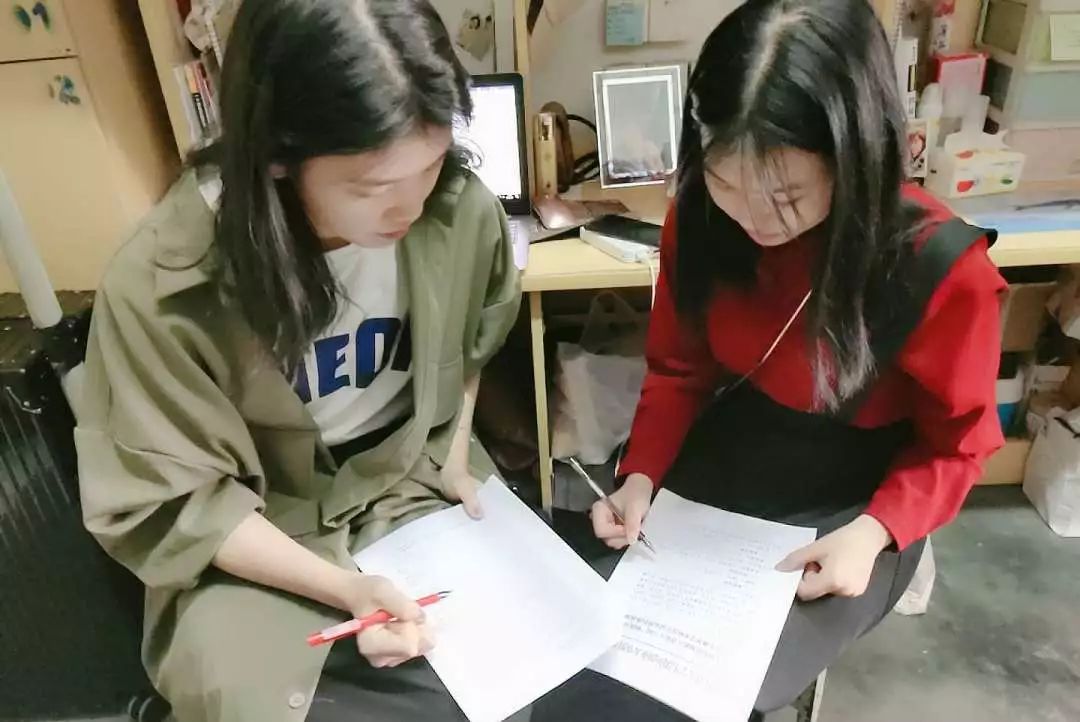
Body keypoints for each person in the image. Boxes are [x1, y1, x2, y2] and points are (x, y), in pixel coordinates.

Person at [534, 0, 1004, 719]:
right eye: (727, 183)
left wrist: (874, 534)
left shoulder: (936, 269)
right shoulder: (701, 219)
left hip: (860, 497)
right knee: (586, 647)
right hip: (736, 455)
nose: (753, 218)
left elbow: (957, 445)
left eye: (785, 196)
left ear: (854, 157)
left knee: (709, 686)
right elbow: (679, 369)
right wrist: (641, 476)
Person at [75, 1, 520, 720]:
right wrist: (346, 589)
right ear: (278, 156)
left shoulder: (457, 208)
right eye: (371, 188)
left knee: (504, 669)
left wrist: (456, 454)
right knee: (264, 699)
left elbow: (476, 336)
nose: (410, 206)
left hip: (406, 473)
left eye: (432, 164)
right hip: (257, 523)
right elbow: (180, 502)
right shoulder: (163, 284)